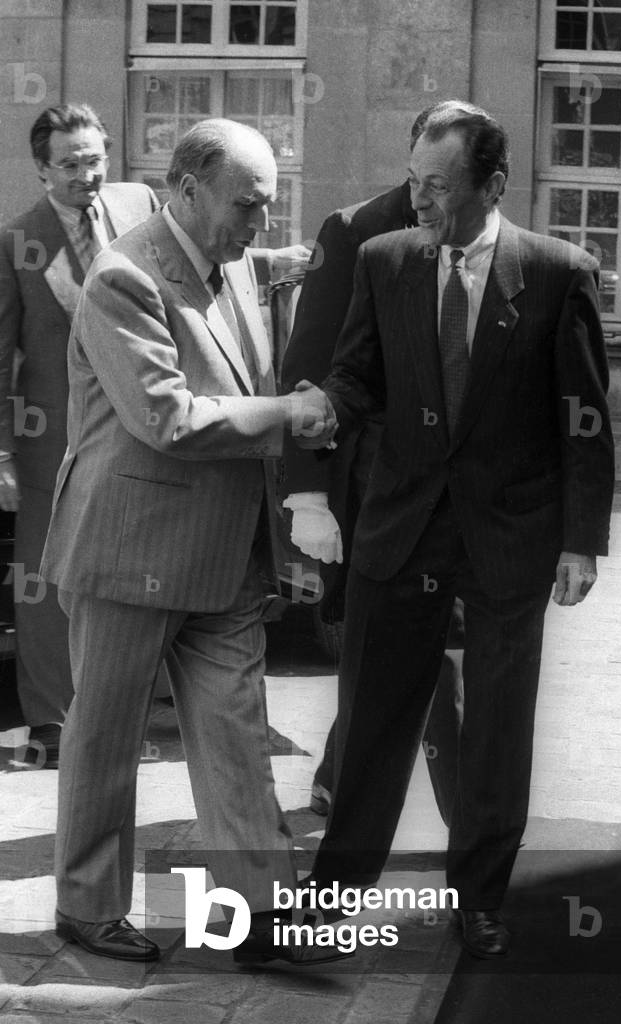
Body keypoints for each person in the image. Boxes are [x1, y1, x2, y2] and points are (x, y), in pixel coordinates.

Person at [293, 101, 615, 959]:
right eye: (413, 182)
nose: (418, 200)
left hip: (510, 538)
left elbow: (582, 415)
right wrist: (323, 408)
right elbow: (355, 376)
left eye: (437, 186)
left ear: (492, 184)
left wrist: (580, 540)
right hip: (400, 533)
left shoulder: (557, 273)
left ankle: (479, 902)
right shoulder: (383, 260)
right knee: (371, 725)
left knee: (497, 732)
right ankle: (332, 898)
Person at [39, 117, 340, 965]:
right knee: (105, 737)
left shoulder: (231, 257)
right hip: (128, 551)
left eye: (269, 205)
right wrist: (288, 415)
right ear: (187, 190)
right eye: (246, 205)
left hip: (225, 553)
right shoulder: (121, 278)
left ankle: (262, 918)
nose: (259, 223)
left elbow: (257, 302)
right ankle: (87, 908)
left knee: (236, 735)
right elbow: (166, 418)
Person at [281, 102, 463, 821]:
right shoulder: (354, 229)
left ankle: (343, 774)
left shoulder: (488, 235)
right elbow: (308, 366)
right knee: (404, 636)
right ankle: (464, 806)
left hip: (455, 481)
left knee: (413, 636)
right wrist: (307, 495)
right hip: (375, 478)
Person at [0, 104, 159, 768]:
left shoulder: (139, 206)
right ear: (41, 169)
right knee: (44, 585)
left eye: (95, 160)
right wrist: (3, 455)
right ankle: (51, 724)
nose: (86, 175)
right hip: (51, 440)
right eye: (69, 164)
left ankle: (116, 722)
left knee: (124, 585)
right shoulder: (18, 242)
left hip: (137, 432)